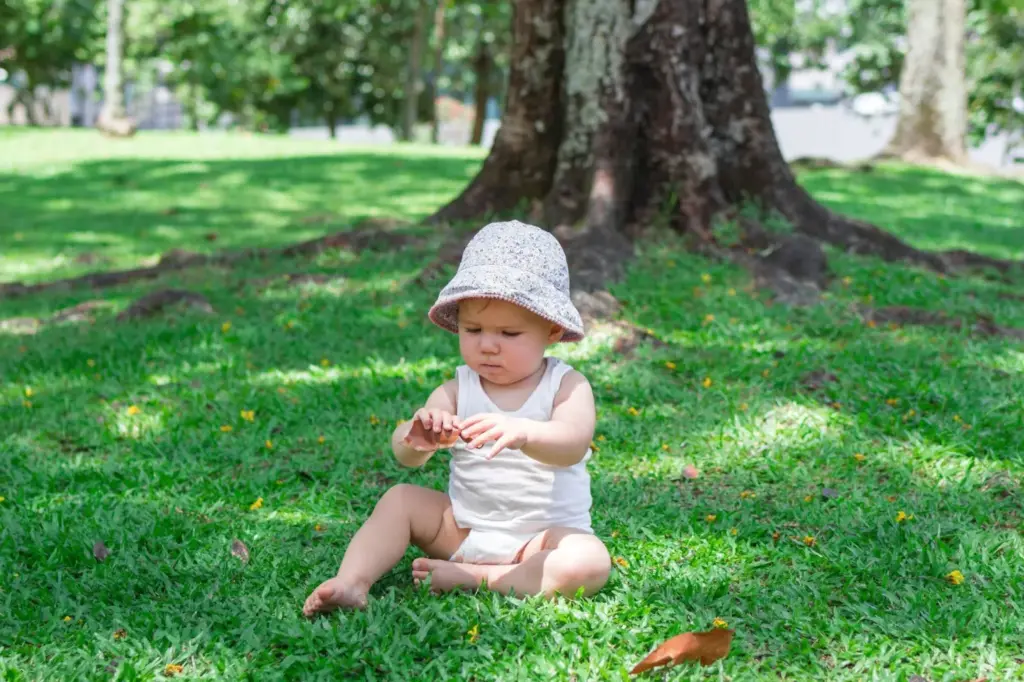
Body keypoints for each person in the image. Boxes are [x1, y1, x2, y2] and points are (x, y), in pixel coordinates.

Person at [303, 220, 611, 617]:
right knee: (400, 500)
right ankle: (352, 582)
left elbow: (572, 444)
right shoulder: (458, 389)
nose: (487, 345)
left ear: (551, 330)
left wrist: (525, 432)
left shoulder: (566, 385)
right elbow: (405, 456)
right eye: (473, 329)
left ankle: (478, 578)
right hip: (464, 530)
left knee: (589, 561)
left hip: (539, 540)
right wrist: (418, 437)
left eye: (509, 333)